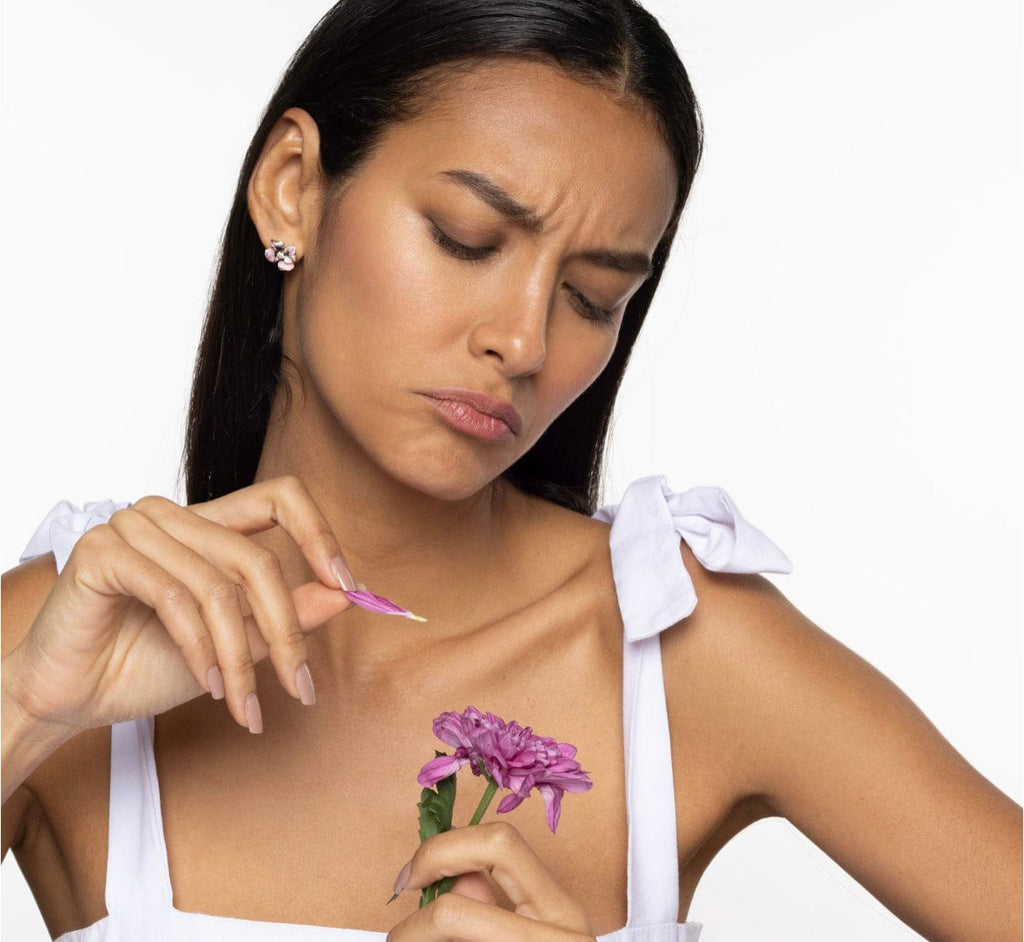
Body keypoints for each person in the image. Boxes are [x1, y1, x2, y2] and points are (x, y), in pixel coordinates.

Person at [2, 1, 1020, 940]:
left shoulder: (681, 654)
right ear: (292, 190)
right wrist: (27, 711)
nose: (525, 341)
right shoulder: (60, 637)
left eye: (591, 297)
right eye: (466, 238)